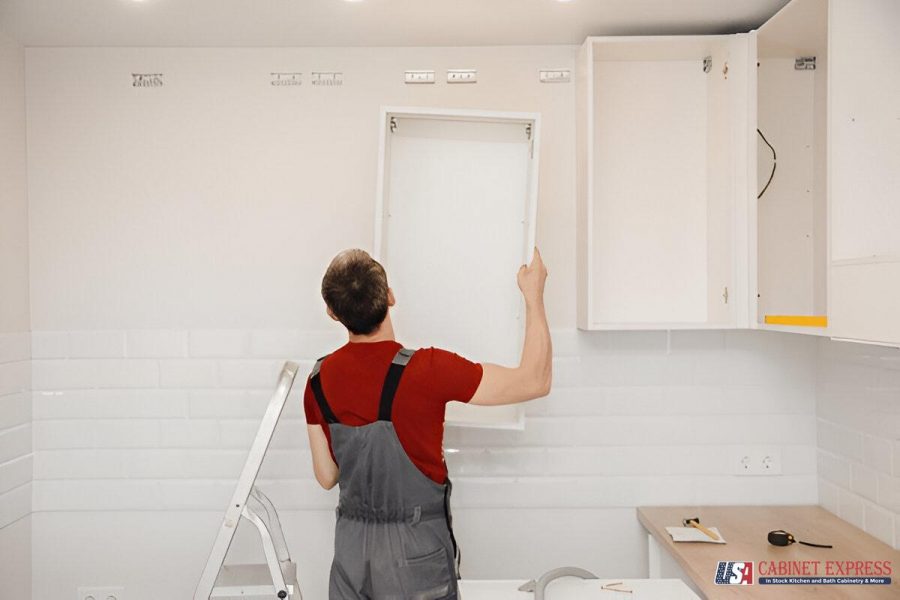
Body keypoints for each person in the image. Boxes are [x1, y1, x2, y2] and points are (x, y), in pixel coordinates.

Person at [304, 247, 551, 600]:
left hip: (350, 557)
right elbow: (534, 380)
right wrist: (534, 296)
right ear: (389, 296)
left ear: (332, 312)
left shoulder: (317, 380)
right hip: (415, 555)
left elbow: (327, 476)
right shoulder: (428, 370)